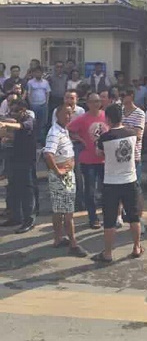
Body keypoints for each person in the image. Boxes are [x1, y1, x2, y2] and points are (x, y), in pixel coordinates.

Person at [92, 104, 143, 263]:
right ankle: (137, 247)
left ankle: (108, 253)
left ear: (107, 119)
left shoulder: (105, 138)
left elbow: (99, 154)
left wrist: (96, 142)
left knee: (109, 220)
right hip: (130, 180)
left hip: (111, 182)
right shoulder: (132, 133)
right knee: (134, 217)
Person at [44, 104, 87, 257]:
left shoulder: (64, 130)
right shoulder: (55, 133)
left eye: (70, 114)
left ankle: (58, 239)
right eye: (65, 114)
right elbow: (48, 154)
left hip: (66, 174)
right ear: (58, 115)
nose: (68, 116)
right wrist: (58, 170)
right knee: (68, 212)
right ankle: (73, 244)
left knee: (59, 209)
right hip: (62, 177)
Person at [68, 92, 108, 229]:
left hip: (105, 160)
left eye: (98, 101)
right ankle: (93, 217)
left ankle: (108, 215)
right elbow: (68, 129)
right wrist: (80, 139)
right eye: (93, 101)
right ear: (88, 103)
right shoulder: (82, 118)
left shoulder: (106, 116)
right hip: (88, 160)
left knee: (106, 189)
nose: (96, 104)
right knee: (90, 190)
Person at [0, 101, 37, 233]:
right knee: (13, 189)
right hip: (14, 159)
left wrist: (5, 124)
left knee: (27, 191)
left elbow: (22, 127)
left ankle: (29, 220)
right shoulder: (15, 121)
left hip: (26, 161)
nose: (13, 113)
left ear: (23, 110)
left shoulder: (29, 120)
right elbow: (14, 134)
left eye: (16, 111)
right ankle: (16, 217)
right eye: (11, 111)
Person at [52, 90, 85, 210]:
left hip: (77, 145)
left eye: (72, 98)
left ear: (77, 99)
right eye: (67, 98)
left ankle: (80, 202)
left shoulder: (81, 111)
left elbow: (82, 129)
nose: (69, 100)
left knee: (78, 174)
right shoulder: (57, 111)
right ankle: (67, 201)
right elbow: (56, 128)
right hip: (63, 146)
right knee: (65, 173)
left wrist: (72, 133)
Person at [121, 88, 146, 230]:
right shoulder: (120, 111)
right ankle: (122, 215)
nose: (122, 98)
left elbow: (138, 135)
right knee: (121, 186)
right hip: (119, 156)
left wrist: (121, 131)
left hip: (134, 156)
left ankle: (139, 219)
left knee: (136, 188)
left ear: (131, 96)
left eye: (124, 95)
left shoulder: (139, 113)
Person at [26, 66, 51, 145]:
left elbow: (47, 93)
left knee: (43, 123)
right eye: (36, 72)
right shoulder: (30, 82)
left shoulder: (45, 82)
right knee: (34, 123)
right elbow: (28, 93)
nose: (38, 74)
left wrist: (46, 103)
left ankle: (41, 141)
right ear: (34, 73)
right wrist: (30, 103)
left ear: (42, 73)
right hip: (34, 105)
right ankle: (34, 140)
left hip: (43, 105)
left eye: (40, 72)